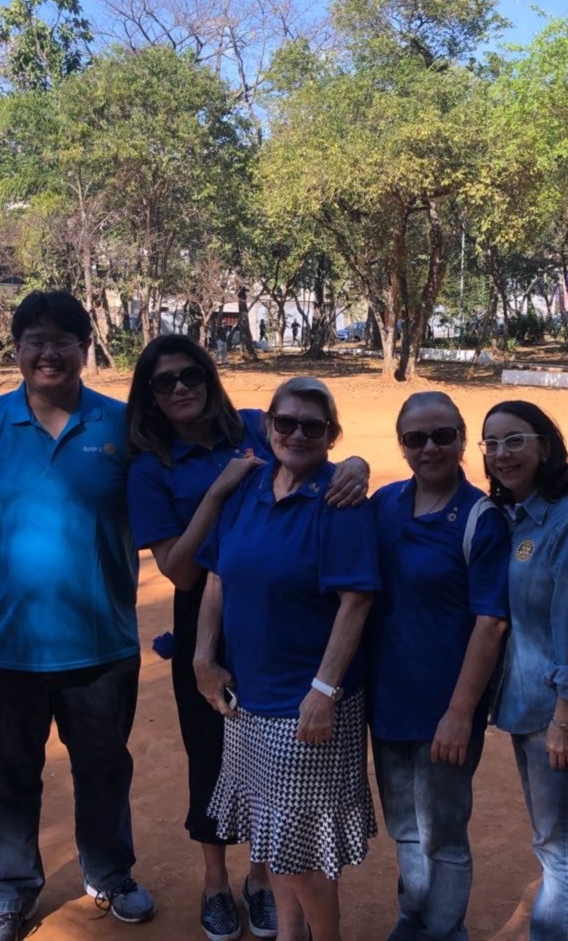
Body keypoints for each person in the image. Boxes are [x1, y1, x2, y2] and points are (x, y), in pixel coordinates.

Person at [125, 337, 370, 941]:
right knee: (249, 800)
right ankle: (231, 893)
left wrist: (355, 465)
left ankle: (296, 916)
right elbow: (201, 573)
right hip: (234, 664)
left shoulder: (259, 437)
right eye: (164, 381)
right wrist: (202, 656)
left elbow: (356, 597)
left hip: (301, 683)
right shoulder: (199, 476)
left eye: (191, 375)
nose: (180, 387)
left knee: (296, 837)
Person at [0, 291, 155, 941]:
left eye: (64, 339)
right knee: (5, 780)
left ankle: (109, 874)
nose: (49, 352)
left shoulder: (124, 428)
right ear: (17, 349)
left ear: (86, 348)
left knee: (104, 769)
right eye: (35, 339)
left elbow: (215, 442)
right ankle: (10, 892)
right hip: (3, 646)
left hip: (101, 644)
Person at [193, 377, 381, 941]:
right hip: (248, 697)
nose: (297, 434)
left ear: (331, 435)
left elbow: (356, 601)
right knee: (273, 838)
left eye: (312, 426)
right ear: (267, 425)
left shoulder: (339, 500)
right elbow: (216, 577)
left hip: (306, 704)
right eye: (286, 422)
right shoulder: (247, 488)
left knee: (302, 855)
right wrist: (203, 657)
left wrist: (323, 691)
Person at [368, 392, 511, 941]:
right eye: (416, 438)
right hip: (388, 702)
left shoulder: (480, 518)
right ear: (402, 445)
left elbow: (491, 624)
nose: (430, 448)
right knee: (405, 827)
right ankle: (414, 916)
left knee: (444, 833)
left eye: (443, 436)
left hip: (446, 709)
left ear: (461, 439)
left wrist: (460, 712)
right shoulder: (384, 504)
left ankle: (445, 929)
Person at [480, 400, 568, 941]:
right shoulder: (515, 513)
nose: (502, 454)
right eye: (491, 443)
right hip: (526, 700)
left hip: (555, 710)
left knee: (558, 846)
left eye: (515, 440)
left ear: (545, 446)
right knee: (550, 839)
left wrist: (564, 718)